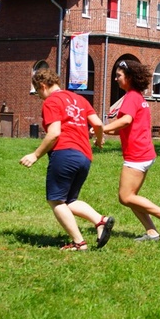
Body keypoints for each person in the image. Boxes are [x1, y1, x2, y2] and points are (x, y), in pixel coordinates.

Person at [20, 68, 115, 250]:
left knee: (55, 200)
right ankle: (100, 221)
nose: (39, 96)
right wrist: (100, 139)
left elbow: (54, 133)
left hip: (64, 153)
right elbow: (98, 124)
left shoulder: (51, 101)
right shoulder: (79, 99)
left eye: (38, 91)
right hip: (84, 156)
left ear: (42, 86)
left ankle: (79, 243)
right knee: (69, 200)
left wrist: (35, 155)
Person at [103, 60, 160, 242]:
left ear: (128, 77)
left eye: (119, 75)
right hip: (143, 152)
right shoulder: (137, 97)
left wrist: (104, 129)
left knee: (125, 196)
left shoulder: (131, 97)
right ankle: (151, 233)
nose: (116, 79)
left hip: (137, 154)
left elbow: (126, 120)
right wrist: (100, 130)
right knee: (131, 196)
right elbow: (123, 127)